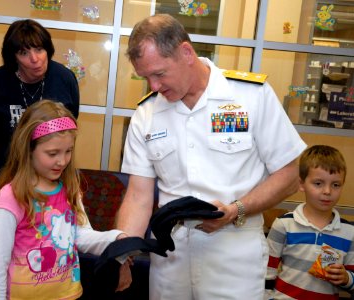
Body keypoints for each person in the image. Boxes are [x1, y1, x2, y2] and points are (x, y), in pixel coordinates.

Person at [116, 14, 307, 299]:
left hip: (234, 250)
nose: (153, 87)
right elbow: (138, 197)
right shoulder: (147, 113)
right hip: (171, 256)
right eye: (146, 78)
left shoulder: (249, 96)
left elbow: (290, 174)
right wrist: (123, 254)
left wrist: (235, 210)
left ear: (186, 52)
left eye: (159, 74)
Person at [0, 100, 131, 299]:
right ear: (28, 149)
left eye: (68, 151)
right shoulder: (12, 197)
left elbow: (78, 236)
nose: (62, 161)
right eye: (52, 153)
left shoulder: (69, 189)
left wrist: (115, 238)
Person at [0, 19, 79, 298]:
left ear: (48, 49)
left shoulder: (64, 80)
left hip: (43, 183)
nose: (35, 59)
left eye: (39, 49)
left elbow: (69, 131)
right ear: (13, 57)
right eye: (24, 53)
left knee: (41, 251)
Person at [265, 145, 354, 299]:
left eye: (335, 185)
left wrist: (346, 278)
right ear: (301, 184)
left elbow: (352, 277)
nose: (327, 191)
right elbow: (266, 272)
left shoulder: (349, 232)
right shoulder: (284, 224)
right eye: (318, 183)